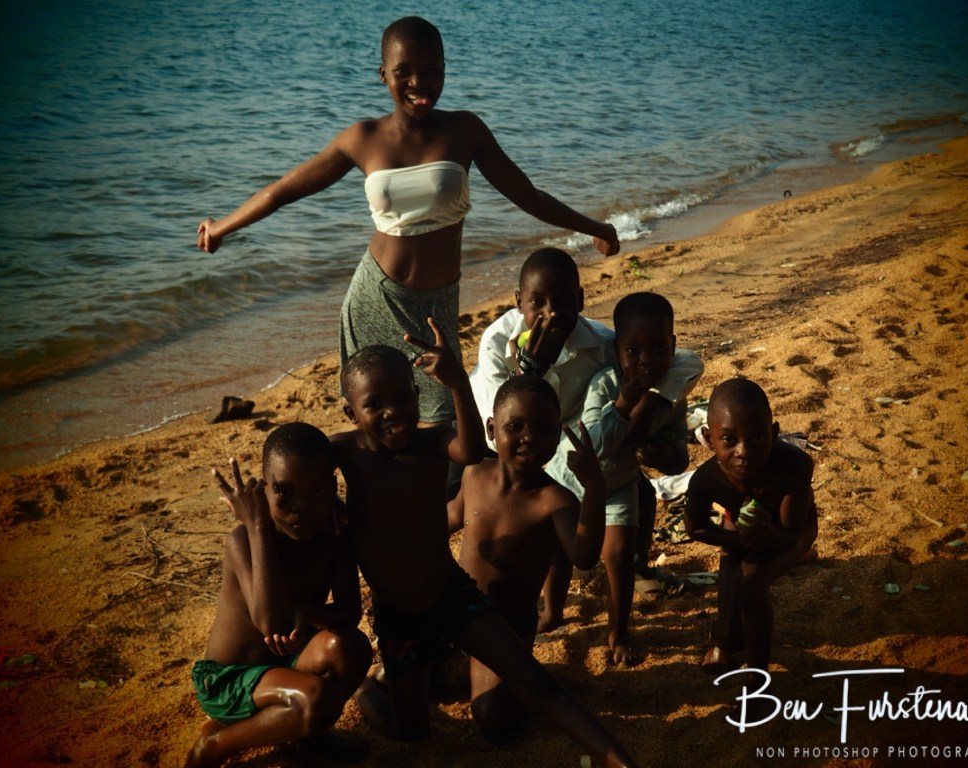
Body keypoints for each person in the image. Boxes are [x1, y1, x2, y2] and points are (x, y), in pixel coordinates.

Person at [196, 16, 619, 425]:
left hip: (436, 304)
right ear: (383, 74)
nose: (419, 83)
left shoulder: (465, 131)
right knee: (379, 418)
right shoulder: (362, 138)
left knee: (442, 418)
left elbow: (527, 195)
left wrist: (595, 227)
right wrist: (220, 228)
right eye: (404, 71)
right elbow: (283, 191)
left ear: (445, 71)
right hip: (374, 297)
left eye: (432, 71)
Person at [330, 329, 640, 767]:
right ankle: (374, 686)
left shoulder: (547, 496)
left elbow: (583, 555)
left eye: (402, 399)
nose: (391, 413)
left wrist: (457, 381)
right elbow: (441, 519)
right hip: (401, 614)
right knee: (412, 731)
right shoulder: (353, 452)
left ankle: (616, 759)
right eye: (516, 427)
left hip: (466, 604)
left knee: (515, 706)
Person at [469, 247, 703, 632]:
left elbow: (680, 361)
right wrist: (531, 368)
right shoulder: (498, 345)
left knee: (638, 494)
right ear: (518, 303)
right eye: (537, 303)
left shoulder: (600, 345)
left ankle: (632, 576)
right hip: (523, 453)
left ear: (580, 299)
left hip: (589, 454)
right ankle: (544, 603)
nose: (552, 313)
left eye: (564, 301)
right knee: (543, 540)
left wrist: (650, 404)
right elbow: (497, 438)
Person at [185, 422, 372, 768]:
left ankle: (309, 733)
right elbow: (270, 623)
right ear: (263, 491)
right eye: (284, 493)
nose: (300, 507)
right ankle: (215, 744)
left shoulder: (333, 536)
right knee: (315, 701)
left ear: (332, 489)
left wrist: (309, 612)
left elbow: (350, 611)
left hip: (286, 665)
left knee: (352, 648)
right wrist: (256, 527)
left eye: (316, 492)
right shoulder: (243, 540)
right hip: (230, 680)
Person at [448, 375, 606, 742]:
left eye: (544, 428)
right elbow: (451, 516)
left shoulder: (556, 501)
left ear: (558, 433)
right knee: (393, 682)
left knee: (494, 720)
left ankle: (515, 676)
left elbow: (583, 556)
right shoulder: (474, 474)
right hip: (456, 613)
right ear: (491, 429)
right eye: (514, 426)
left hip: (506, 627)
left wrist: (594, 487)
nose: (529, 438)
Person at [544, 292, 694, 666]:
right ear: (617, 350)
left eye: (658, 348)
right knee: (560, 554)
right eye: (633, 351)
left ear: (673, 346)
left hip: (619, 485)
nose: (646, 361)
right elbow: (593, 446)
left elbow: (678, 445)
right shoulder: (606, 384)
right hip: (570, 480)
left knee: (619, 556)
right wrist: (624, 404)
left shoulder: (672, 393)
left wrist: (673, 456)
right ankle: (552, 611)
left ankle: (618, 630)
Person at [683, 378, 819, 673]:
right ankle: (721, 638)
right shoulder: (706, 480)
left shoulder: (795, 465)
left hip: (793, 528)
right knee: (732, 625)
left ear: (774, 433)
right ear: (709, 437)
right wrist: (741, 541)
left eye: (757, 438)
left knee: (751, 579)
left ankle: (757, 675)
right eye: (729, 440)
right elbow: (694, 528)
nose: (744, 451)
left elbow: (790, 534)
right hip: (741, 527)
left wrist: (766, 535)